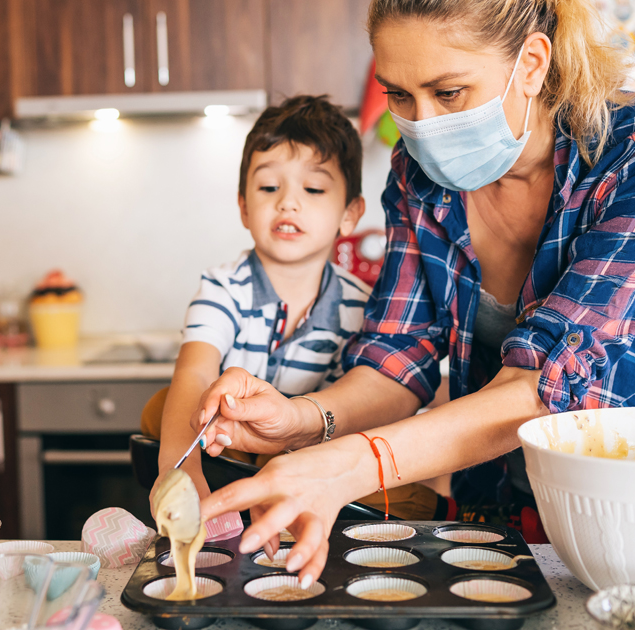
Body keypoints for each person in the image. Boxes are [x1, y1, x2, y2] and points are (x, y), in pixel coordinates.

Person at [191, 0, 635, 588]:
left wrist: (349, 466)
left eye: (448, 93)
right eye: (399, 95)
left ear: (531, 64)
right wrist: (302, 420)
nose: (422, 122)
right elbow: (395, 359)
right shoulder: (418, 176)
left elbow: (543, 388)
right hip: (502, 509)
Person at [144, 95, 443, 523]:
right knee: (162, 406)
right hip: (227, 451)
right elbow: (194, 371)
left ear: (350, 214)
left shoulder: (364, 308)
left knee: (404, 491)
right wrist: (180, 469)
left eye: (314, 188)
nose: (288, 202)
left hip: (318, 465)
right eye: (269, 187)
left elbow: (371, 415)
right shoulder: (224, 287)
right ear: (244, 207)